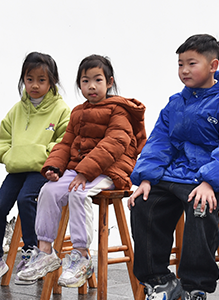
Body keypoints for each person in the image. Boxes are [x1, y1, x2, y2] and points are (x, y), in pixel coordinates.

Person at [129, 35, 219, 300]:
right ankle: (159, 282)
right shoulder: (176, 103)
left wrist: (210, 181)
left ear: (213, 65)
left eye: (191, 63)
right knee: (143, 203)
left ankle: (196, 292)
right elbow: (159, 141)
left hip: (217, 178)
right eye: (180, 64)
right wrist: (146, 178)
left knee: (200, 206)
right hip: (177, 174)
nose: (184, 70)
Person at [17, 55, 146, 288]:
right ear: (79, 84)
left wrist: (85, 172)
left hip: (111, 169)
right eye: (85, 81)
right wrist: (54, 168)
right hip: (81, 168)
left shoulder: (119, 111)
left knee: (78, 193)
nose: (91, 86)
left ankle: (82, 257)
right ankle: (45, 252)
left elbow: (115, 143)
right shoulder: (78, 112)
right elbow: (66, 143)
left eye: (98, 80)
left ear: (109, 82)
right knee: (48, 190)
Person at [0, 52, 71, 290]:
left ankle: (32, 252)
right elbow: (3, 139)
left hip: (42, 170)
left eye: (41, 80)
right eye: (30, 79)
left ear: (52, 81)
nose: (35, 85)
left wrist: (43, 155)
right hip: (18, 168)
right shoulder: (17, 110)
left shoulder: (61, 110)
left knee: (26, 199)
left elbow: (64, 141)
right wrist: (9, 156)